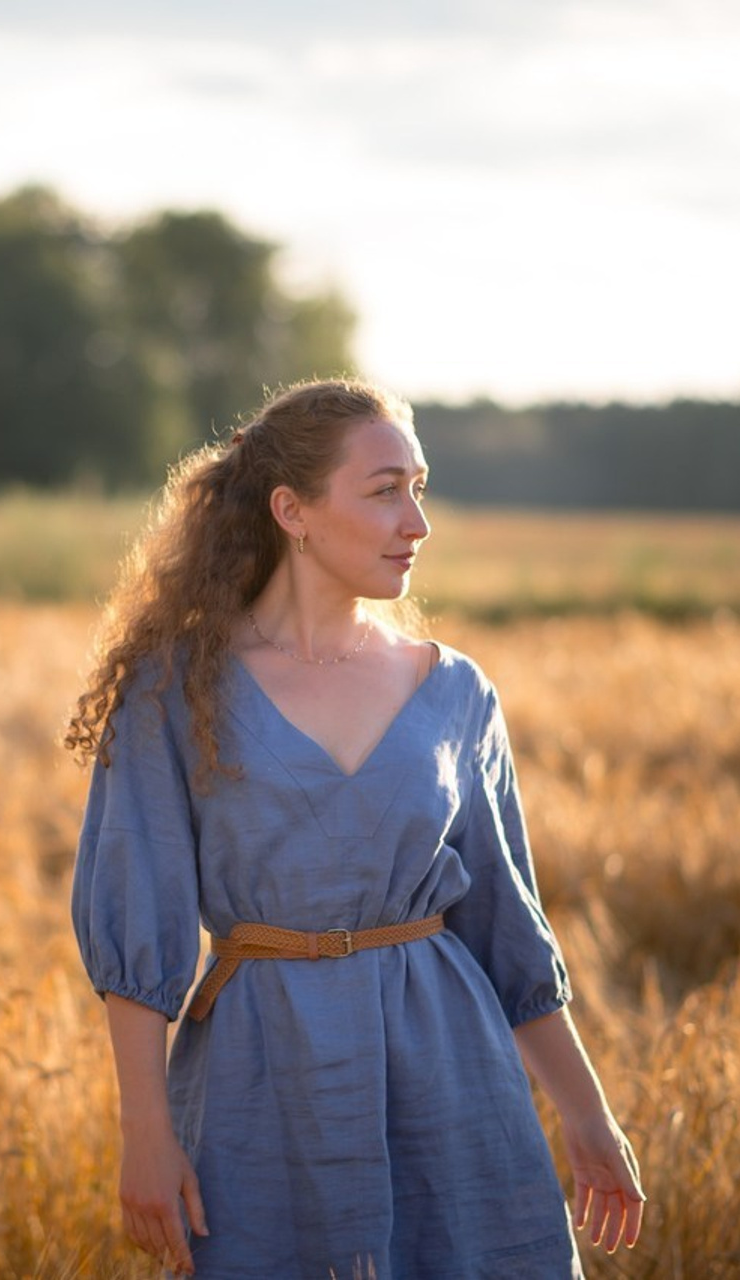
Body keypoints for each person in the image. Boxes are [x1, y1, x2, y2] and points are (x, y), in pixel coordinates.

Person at [65, 379, 644, 1278]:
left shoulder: (455, 692)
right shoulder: (171, 692)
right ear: (292, 510)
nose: (416, 520)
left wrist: (586, 1114)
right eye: (384, 491)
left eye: (420, 487)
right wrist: (145, 1131)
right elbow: (141, 934)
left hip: (451, 1070)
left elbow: (507, 933)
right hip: (261, 1080)